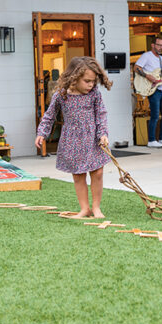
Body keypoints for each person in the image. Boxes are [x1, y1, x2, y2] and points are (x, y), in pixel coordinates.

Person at [35, 56, 113, 219]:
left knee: (97, 172)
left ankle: (96, 208)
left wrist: (103, 133)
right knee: (78, 175)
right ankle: (85, 209)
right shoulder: (62, 95)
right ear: (74, 78)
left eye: (93, 81)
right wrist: (42, 132)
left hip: (93, 138)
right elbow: (50, 115)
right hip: (72, 140)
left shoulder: (94, 94)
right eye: (87, 81)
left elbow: (101, 114)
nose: (91, 84)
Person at [134, 36, 162, 148]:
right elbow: (136, 68)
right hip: (153, 90)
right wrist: (148, 76)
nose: (161, 47)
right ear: (153, 45)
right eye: (159, 45)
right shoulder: (146, 56)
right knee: (155, 115)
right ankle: (151, 140)